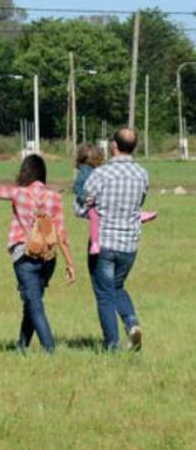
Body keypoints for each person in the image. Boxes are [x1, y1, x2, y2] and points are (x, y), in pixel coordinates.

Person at [0, 154, 75, 353]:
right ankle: (22, 346)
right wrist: (70, 264)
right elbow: (61, 234)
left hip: (24, 256)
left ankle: (49, 349)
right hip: (48, 259)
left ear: (25, 172)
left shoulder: (18, 193)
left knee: (34, 304)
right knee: (31, 302)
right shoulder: (56, 197)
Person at [75, 128, 149, 351]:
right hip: (129, 244)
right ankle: (131, 323)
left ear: (114, 146)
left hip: (104, 243)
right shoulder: (143, 174)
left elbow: (81, 207)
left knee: (104, 294)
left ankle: (111, 345)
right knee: (117, 286)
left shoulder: (101, 174)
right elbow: (140, 203)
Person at [74, 143, 157, 256]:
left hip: (94, 200)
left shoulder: (90, 169)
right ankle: (95, 242)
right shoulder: (86, 170)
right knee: (95, 217)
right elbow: (78, 186)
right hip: (90, 202)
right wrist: (86, 198)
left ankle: (138, 215)